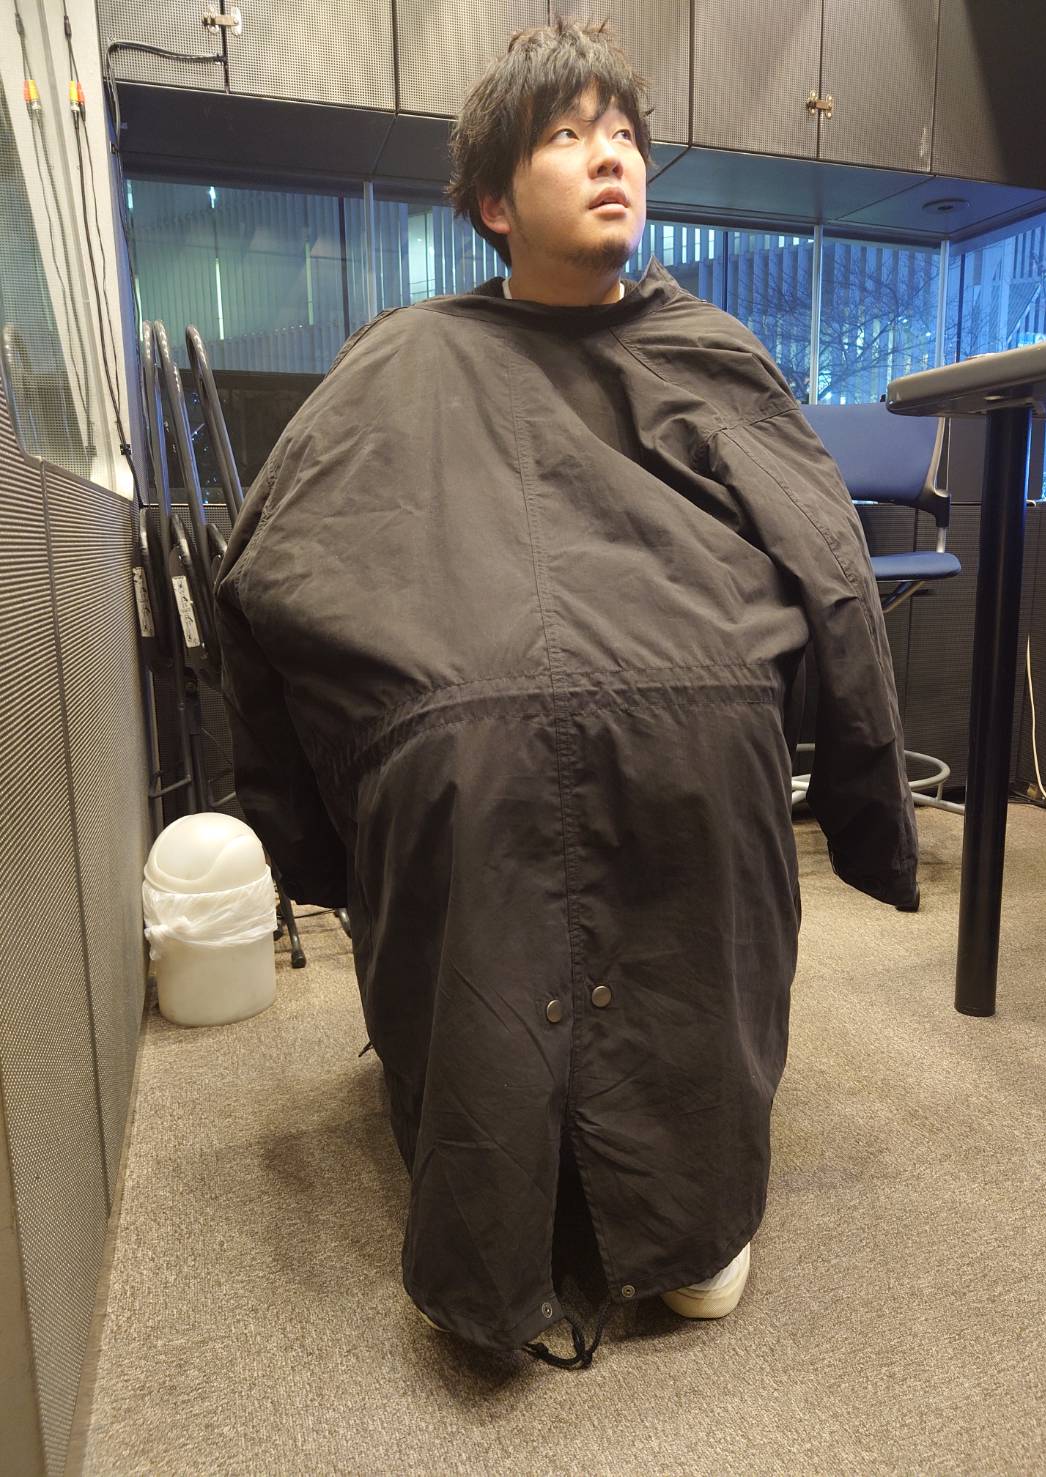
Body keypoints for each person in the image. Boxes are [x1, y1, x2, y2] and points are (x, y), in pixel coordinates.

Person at [213, 15, 919, 1371]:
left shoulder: (708, 351)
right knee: (454, 750)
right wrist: (329, 794)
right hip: (463, 666)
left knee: (708, 731)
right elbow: (280, 558)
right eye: (568, 135)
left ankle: (686, 1185)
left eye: (626, 137)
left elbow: (827, 562)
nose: (612, 159)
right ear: (494, 201)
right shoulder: (408, 355)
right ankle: (497, 1169)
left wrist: (858, 783)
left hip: (691, 653)